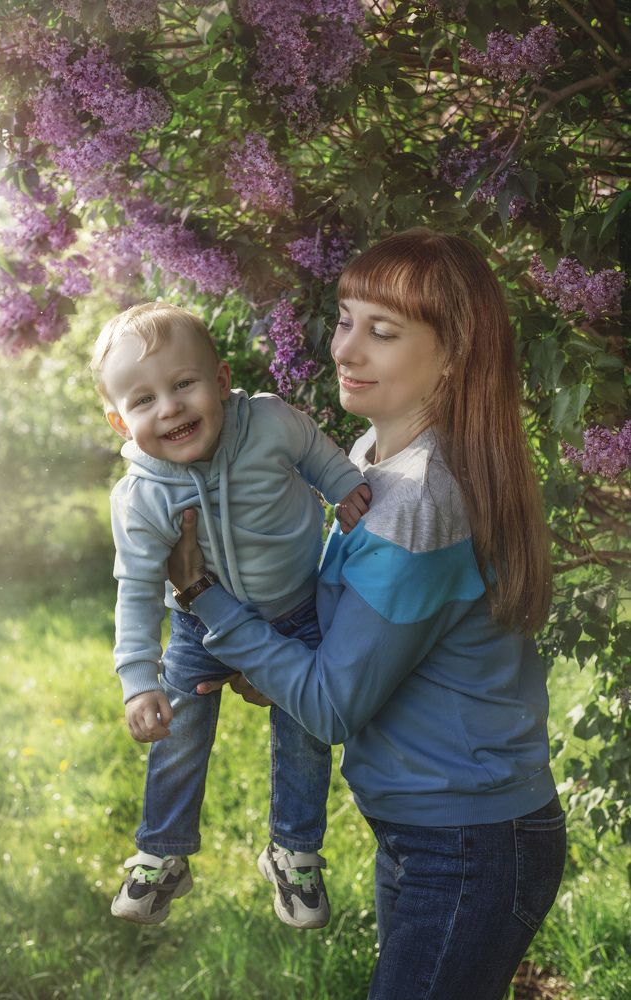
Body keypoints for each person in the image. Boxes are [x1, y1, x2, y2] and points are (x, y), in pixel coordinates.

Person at [166, 230, 567, 1000]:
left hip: (471, 842)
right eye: (346, 319)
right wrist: (266, 668)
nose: (347, 348)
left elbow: (335, 703)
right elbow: (355, 650)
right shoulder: (375, 464)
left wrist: (201, 595)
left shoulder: (416, 503)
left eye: (382, 333)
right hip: (438, 829)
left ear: (453, 358)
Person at [90, 302, 371, 927]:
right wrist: (138, 681)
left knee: (305, 730)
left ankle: (294, 851)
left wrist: (343, 483)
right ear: (118, 421)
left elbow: (314, 451)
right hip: (198, 627)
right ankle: (162, 853)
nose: (169, 408)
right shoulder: (141, 495)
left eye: (183, 384)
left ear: (219, 381)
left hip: (297, 609)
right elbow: (135, 589)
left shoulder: (268, 422)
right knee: (180, 730)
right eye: (142, 401)